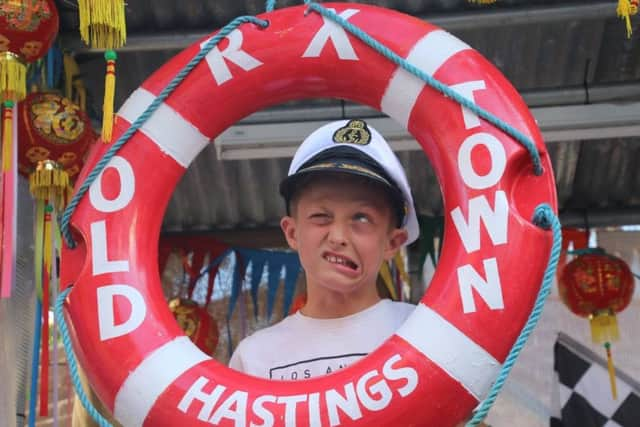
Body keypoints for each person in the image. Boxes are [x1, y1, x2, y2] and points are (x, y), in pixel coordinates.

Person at [229, 119, 419, 380]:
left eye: (361, 218)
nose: (338, 237)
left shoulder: (425, 334)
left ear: (392, 243)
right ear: (292, 233)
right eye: (321, 215)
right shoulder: (253, 360)